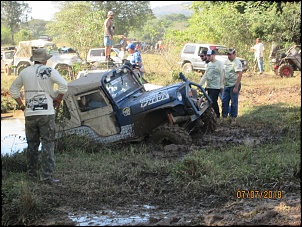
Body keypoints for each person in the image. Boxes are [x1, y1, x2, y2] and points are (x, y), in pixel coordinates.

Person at [9, 48, 68, 184]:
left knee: (32, 145)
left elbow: (13, 90)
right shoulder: (49, 71)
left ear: (33, 59)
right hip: (46, 113)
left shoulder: (24, 72)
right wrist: (58, 99)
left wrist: (22, 106)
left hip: (30, 114)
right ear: (45, 60)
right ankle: (46, 177)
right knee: (48, 143)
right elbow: (63, 85)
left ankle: (31, 175)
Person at [200, 50, 224, 119]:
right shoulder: (209, 64)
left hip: (216, 86)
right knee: (209, 101)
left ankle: (217, 115)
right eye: (207, 55)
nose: (208, 57)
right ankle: (212, 115)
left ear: (214, 55)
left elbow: (222, 75)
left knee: (213, 101)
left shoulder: (219, 64)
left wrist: (221, 86)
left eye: (209, 55)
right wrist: (200, 84)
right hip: (209, 86)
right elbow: (205, 75)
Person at [221, 48, 243, 125]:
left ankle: (233, 118)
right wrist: (222, 83)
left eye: (230, 54)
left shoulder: (237, 62)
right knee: (224, 101)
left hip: (234, 84)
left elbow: (239, 75)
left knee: (234, 102)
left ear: (234, 54)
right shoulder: (226, 62)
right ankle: (224, 117)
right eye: (228, 54)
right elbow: (224, 72)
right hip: (226, 85)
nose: (228, 56)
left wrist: (236, 87)